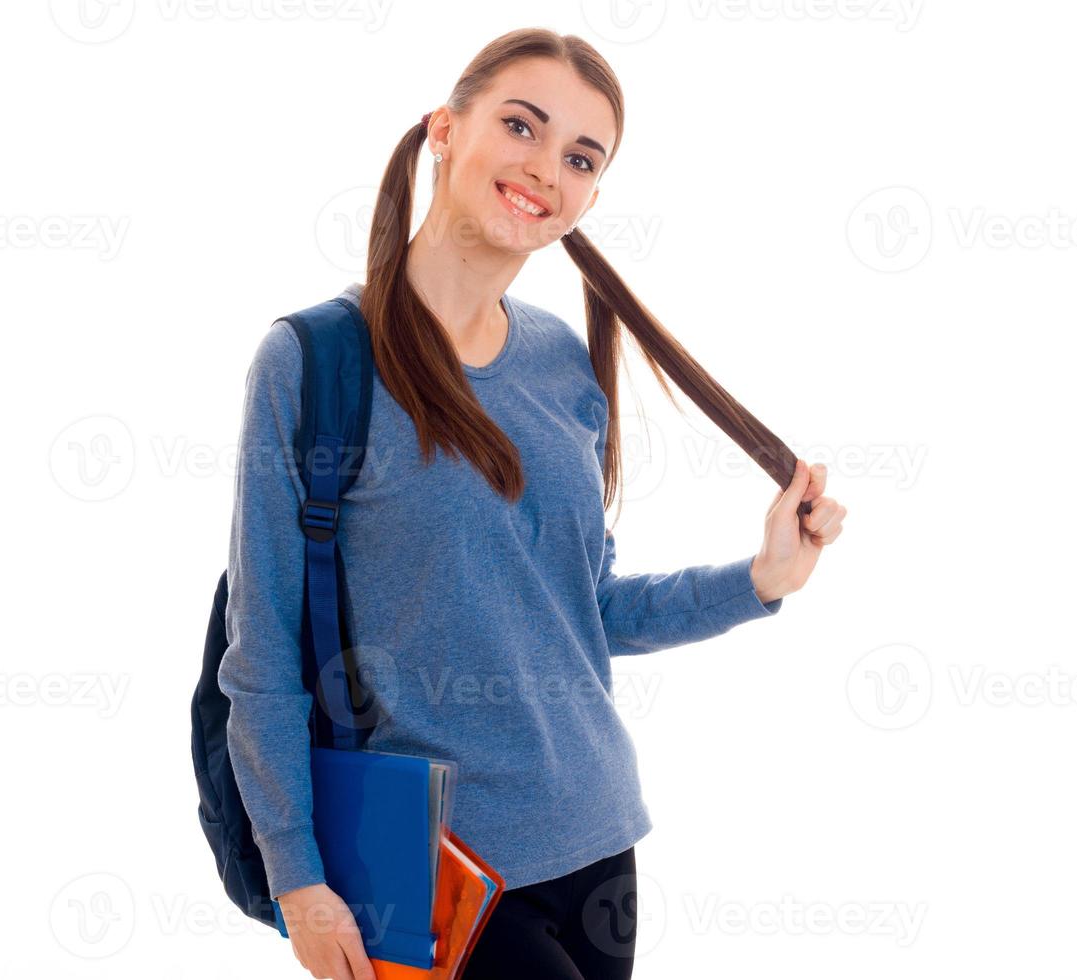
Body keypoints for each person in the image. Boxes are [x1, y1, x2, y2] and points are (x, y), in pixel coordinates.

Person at [219, 27, 847, 980]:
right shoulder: (315, 363)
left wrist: (762, 579)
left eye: (581, 158)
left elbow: (588, 612)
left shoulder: (560, 361)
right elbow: (260, 655)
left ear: (587, 199)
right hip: (439, 868)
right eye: (522, 125)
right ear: (445, 129)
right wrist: (296, 879)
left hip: (598, 842)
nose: (545, 167)